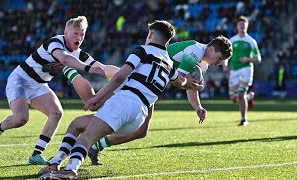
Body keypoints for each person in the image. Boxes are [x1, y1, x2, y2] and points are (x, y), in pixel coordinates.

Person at [38, 20, 197, 179]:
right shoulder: (170, 65)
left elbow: (120, 76)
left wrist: (98, 97)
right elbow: (181, 82)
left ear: (150, 34)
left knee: (86, 138)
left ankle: (71, 170)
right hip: (138, 117)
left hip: (124, 103)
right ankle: (54, 164)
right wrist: (193, 84)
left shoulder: (142, 50)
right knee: (77, 124)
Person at [42, 35, 233, 166]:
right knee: (95, 99)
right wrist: (194, 86)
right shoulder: (195, 52)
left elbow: (187, 86)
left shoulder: (203, 64)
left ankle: (93, 147)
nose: (221, 62)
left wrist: (198, 107)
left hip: (151, 86)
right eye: (221, 57)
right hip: (142, 78)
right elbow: (181, 82)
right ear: (211, 48)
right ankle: (67, 68)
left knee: (141, 132)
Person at [0, 16, 119, 165]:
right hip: (20, 79)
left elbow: (103, 68)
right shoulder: (55, 42)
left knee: (56, 113)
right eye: (75, 33)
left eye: (82, 34)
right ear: (66, 32)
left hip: (39, 84)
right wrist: (89, 68)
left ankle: (36, 155)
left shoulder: (79, 53)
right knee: (21, 119)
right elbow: (65, 59)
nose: (79, 37)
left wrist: (127, 73)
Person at [223, 15, 261, 126]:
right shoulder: (232, 40)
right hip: (234, 70)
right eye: (240, 24)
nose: (242, 25)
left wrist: (247, 59)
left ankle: (244, 119)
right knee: (233, 98)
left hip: (246, 69)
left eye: (244, 23)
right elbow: (226, 56)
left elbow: (258, 59)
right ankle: (249, 97)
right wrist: (225, 65)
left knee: (240, 94)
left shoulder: (251, 41)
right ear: (237, 26)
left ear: (247, 26)